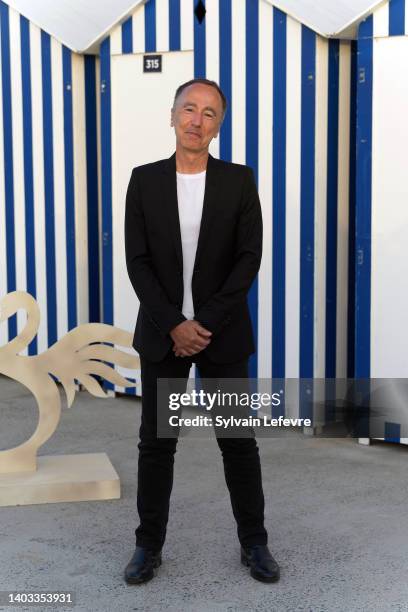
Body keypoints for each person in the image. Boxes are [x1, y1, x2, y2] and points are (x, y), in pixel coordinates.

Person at [124, 78, 280, 585]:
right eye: (188, 109)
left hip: (222, 336)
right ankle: (148, 547)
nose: (197, 120)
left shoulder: (238, 180)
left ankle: (254, 543)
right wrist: (174, 323)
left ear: (219, 126)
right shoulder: (143, 180)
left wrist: (204, 323)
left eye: (209, 113)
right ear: (172, 116)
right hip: (163, 336)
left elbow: (247, 259)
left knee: (237, 441)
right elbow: (138, 262)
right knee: (157, 443)